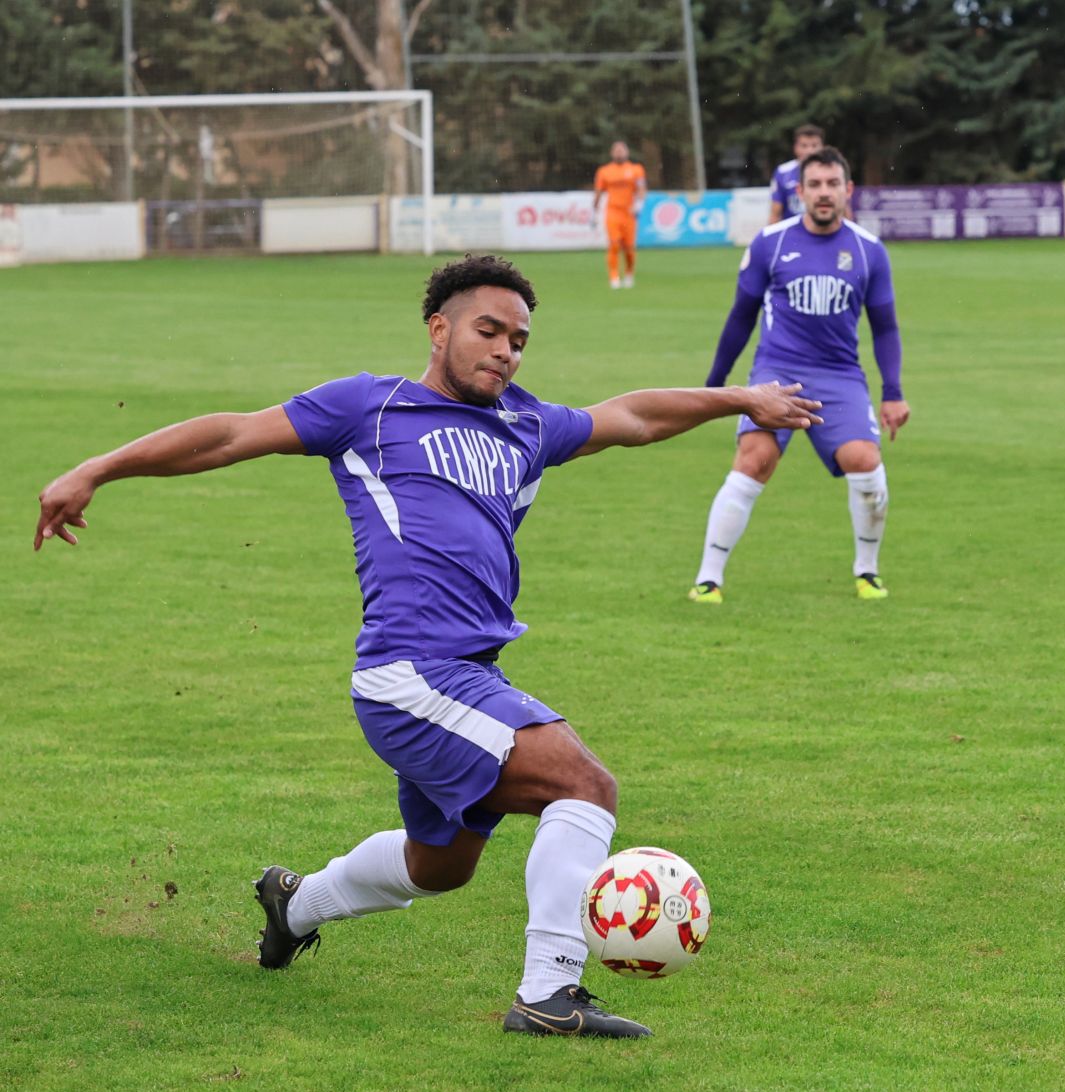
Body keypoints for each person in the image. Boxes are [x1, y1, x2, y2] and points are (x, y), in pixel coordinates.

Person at [32, 254, 820, 1035]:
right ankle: (549, 995)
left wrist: (741, 399)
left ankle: (294, 903)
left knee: (439, 866)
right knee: (583, 785)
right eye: (488, 330)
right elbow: (232, 435)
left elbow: (634, 417)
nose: (506, 349)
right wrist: (99, 468)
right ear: (439, 328)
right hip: (410, 675)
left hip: (465, 675)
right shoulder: (367, 409)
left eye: (519, 339)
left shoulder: (527, 424)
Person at [690, 146, 907, 604]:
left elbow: (885, 327)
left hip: (841, 375)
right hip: (778, 373)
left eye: (832, 184)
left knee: (865, 462)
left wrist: (893, 392)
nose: (824, 193)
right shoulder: (772, 243)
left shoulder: (869, 252)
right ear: (800, 192)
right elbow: (740, 318)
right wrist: (714, 386)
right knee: (754, 458)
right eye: (815, 185)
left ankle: (867, 571)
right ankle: (708, 578)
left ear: (848, 190)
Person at [593, 142, 648, 289]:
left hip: (629, 213)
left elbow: (641, 188)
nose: (619, 153)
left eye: (621, 150)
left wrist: (639, 205)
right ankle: (614, 276)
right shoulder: (604, 171)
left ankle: (629, 273)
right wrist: (595, 209)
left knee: (629, 248)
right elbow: (598, 191)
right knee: (614, 243)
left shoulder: (636, 169)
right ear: (612, 153)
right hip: (613, 211)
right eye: (616, 151)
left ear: (627, 152)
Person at [768, 124, 825, 225]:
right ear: (795, 148)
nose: (810, 151)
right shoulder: (783, 172)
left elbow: (843, 210)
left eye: (814, 145)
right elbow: (775, 213)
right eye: (804, 146)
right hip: (792, 236)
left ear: (822, 147)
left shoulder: (833, 171)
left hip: (825, 234)